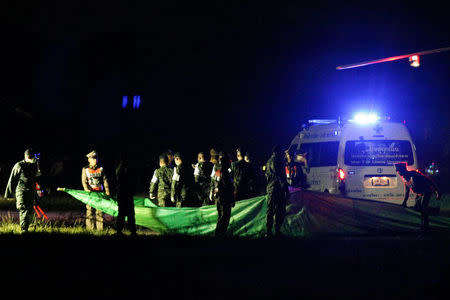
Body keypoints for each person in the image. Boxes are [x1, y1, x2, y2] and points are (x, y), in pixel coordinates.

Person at [395, 162, 441, 232]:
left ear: (403, 170)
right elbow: (407, 191)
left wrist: (436, 190)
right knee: (417, 208)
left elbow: (428, 179)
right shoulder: (404, 178)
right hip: (419, 194)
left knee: (423, 208)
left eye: (398, 170)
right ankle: (432, 212)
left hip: (426, 191)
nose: (397, 172)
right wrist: (404, 202)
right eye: (397, 170)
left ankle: (425, 227)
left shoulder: (413, 174)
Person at [4, 148, 41, 233]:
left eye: (33, 158)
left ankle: (30, 228)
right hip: (21, 191)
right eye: (31, 157)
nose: (32, 159)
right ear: (27, 157)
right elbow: (12, 179)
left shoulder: (34, 165)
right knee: (23, 209)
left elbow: (38, 175)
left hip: (31, 191)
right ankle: (24, 231)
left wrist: (37, 165)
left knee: (30, 210)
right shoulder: (19, 165)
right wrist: (9, 194)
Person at [81, 150, 110, 230]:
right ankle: (90, 228)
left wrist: (107, 191)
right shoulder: (85, 169)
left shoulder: (101, 168)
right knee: (89, 211)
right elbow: (84, 181)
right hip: (90, 193)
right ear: (89, 160)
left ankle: (100, 229)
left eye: (96, 158)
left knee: (99, 211)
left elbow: (105, 180)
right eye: (93, 159)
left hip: (99, 193)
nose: (95, 160)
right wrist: (86, 189)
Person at [265, 145, 290, 237]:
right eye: (282, 151)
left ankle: (271, 231)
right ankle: (273, 231)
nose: (283, 153)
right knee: (277, 209)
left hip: (272, 188)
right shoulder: (276, 161)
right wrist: (286, 190)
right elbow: (280, 177)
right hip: (276, 188)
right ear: (277, 152)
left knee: (272, 210)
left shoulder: (270, 161)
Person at [210, 153, 235, 237]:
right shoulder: (225, 173)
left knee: (220, 217)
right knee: (224, 218)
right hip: (224, 198)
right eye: (229, 161)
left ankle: (218, 234)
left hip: (219, 198)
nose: (230, 163)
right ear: (226, 162)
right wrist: (232, 199)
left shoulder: (217, 171)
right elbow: (228, 187)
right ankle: (220, 235)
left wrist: (215, 195)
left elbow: (215, 184)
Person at [115, 151, 136, 235]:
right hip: (126, 194)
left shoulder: (119, 168)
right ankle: (132, 232)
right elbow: (132, 181)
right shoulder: (127, 168)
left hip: (121, 194)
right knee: (129, 214)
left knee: (122, 214)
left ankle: (120, 231)